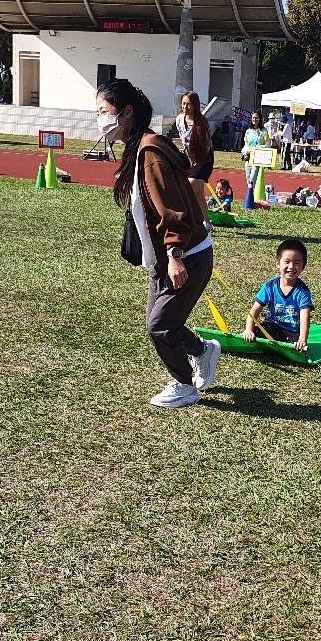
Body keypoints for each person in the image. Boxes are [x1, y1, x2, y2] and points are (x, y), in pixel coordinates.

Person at [98, 77, 219, 408]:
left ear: (126, 112)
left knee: (160, 326)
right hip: (164, 257)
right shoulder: (139, 147)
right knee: (164, 322)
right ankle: (203, 351)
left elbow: (171, 209)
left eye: (103, 111)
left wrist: (175, 255)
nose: (100, 119)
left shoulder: (149, 152)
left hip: (186, 254)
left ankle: (184, 385)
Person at [243, 239, 312, 351]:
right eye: (287, 262)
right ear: (278, 263)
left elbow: (305, 316)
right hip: (272, 326)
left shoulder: (302, 291)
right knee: (254, 334)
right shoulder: (269, 286)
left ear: (303, 267)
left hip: (292, 332)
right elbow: (255, 309)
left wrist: (302, 340)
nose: (291, 266)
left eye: (297, 263)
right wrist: (249, 330)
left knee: (295, 348)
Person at [179, 90, 214, 207]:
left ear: (195, 105)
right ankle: (205, 219)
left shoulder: (201, 123)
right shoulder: (179, 119)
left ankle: (186, 218)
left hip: (203, 160)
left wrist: (187, 144)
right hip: (189, 160)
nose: (185, 107)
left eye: (189, 104)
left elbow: (205, 146)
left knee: (186, 193)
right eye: (183, 103)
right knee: (199, 196)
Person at [242, 111, 266, 190]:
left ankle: (251, 196)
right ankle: (251, 195)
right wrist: (245, 150)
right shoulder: (248, 131)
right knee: (248, 179)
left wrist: (259, 147)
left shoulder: (263, 131)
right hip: (248, 158)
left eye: (256, 118)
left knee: (252, 179)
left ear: (259, 119)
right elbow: (246, 144)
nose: (254, 119)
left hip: (257, 158)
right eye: (253, 118)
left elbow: (268, 144)